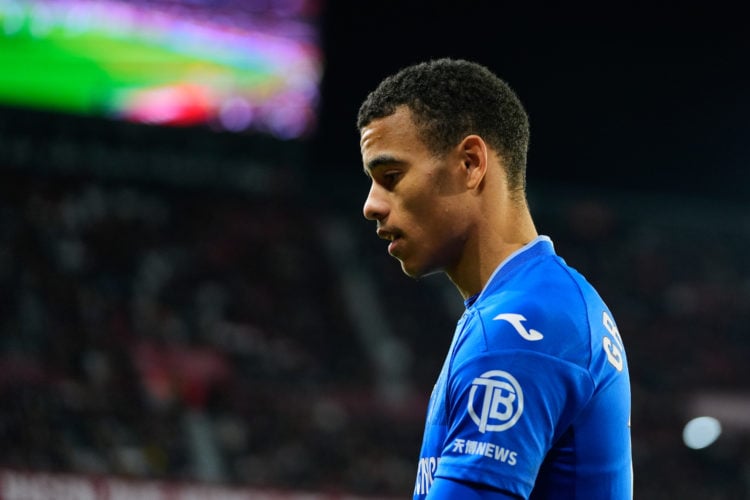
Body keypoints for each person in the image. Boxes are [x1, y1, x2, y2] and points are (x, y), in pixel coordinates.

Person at [357, 58, 632, 499]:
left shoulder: (520, 327)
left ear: (470, 162)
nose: (372, 205)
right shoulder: (544, 300)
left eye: (391, 176)